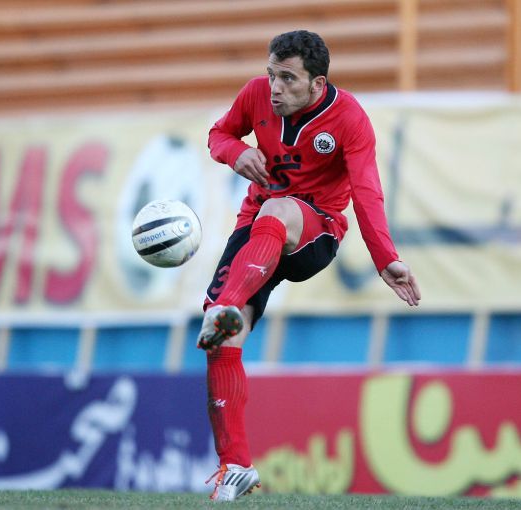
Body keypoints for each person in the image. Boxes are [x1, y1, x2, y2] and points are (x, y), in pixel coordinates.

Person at [198, 30, 421, 501]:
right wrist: (237, 153)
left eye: (287, 78)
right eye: (271, 75)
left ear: (317, 84)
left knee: (277, 211)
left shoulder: (350, 119)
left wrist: (386, 259)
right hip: (255, 228)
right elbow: (219, 134)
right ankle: (235, 466)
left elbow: (367, 191)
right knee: (221, 344)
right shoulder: (255, 95)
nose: (274, 88)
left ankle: (226, 307)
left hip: (315, 231)